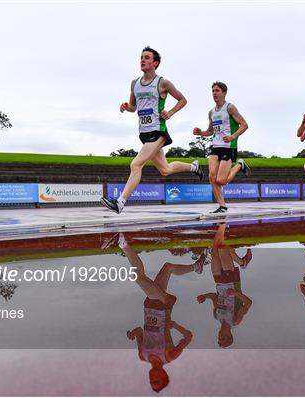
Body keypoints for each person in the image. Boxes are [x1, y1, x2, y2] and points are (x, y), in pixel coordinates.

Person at [100, 47, 203, 214]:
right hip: (144, 132)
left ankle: (120, 203)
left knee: (136, 164)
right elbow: (134, 107)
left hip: (158, 130)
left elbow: (183, 100)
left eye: (147, 58)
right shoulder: (134, 84)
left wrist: (170, 112)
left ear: (155, 63)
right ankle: (193, 167)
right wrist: (127, 107)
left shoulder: (163, 83)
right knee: (165, 170)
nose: (142, 60)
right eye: (141, 57)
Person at [107, 232, 193, 393]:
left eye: (151, 381)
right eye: (157, 380)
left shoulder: (142, 356)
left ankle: (197, 266)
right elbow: (188, 336)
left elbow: (141, 332)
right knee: (139, 278)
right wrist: (174, 326)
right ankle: (122, 243)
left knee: (167, 267)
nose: (152, 378)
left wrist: (133, 333)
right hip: (163, 306)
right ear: (164, 375)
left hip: (149, 306)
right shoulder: (170, 356)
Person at [193, 82, 251, 213]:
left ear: (224, 93)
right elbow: (210, 131)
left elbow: (244, 125)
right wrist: (200, 132)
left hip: (228, 146)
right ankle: (222, 206)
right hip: (215, 146)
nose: (214, 93)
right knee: (212, 177)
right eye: (213, 91)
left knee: (221, 180)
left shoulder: (230, 108)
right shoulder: (211, 112)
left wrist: (233, 136)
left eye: (217, 91)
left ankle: (239, 165)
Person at [196, 223, 253, 347]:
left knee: (215, 250)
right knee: (222, 249)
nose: (219, 336)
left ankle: (219, 227)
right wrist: (235, 293)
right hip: (232, 283)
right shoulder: (235, 321)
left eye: (219, 338)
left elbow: (214, 297)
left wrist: (204, 296)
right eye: (223, 338)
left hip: (219, 282)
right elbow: (248, 303)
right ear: (229, 336)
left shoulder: (216, 316)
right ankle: (223, 225)